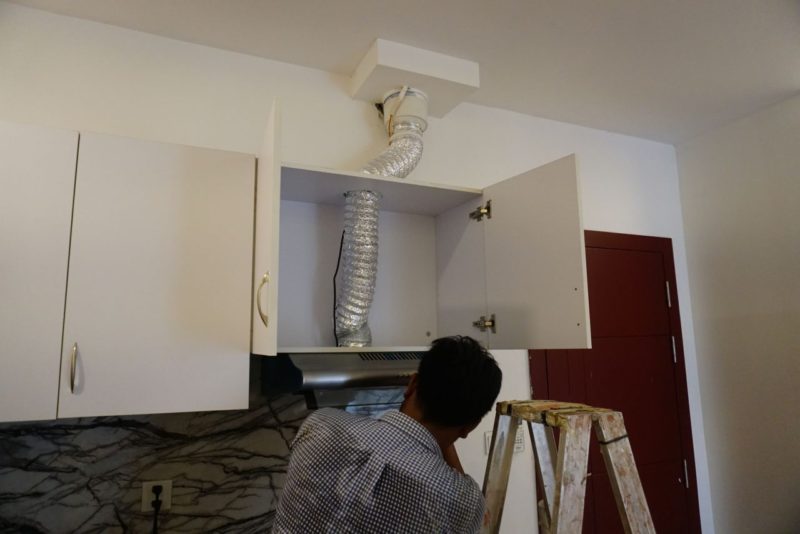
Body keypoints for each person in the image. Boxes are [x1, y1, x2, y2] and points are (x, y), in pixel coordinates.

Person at [272, 335, 503, 533]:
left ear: (412, 384)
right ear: (470, 426)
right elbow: (471, 508)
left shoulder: (321, 424)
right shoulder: (461, 502)